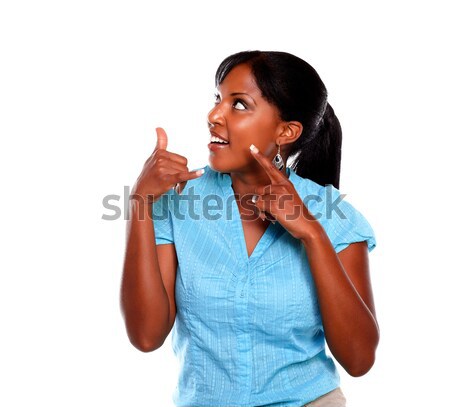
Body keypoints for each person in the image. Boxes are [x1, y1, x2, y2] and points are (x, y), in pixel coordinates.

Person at [120, 50, 379, 407]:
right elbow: (146, 336)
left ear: (286, 131)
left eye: (239, 105)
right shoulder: (179, 201)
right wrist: (140, 204)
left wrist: (312, 235)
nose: (213, 116)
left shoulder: (335, 216)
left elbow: (359, 359)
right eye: (218, 99)